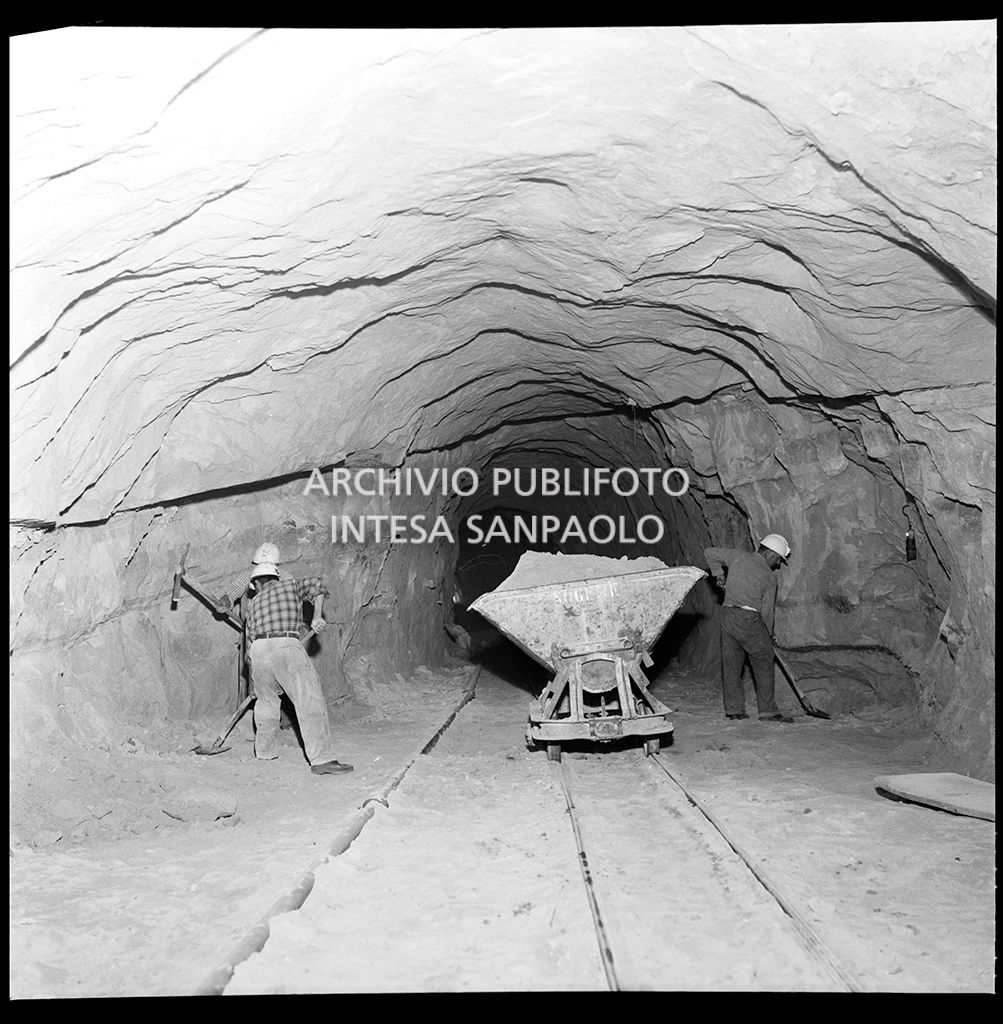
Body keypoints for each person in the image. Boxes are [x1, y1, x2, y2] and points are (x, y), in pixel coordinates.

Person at [220, 545, 353, 775]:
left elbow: (249, 638)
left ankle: (265, 753)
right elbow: (316, 585)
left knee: (266, 703)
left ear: (256, 584)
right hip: (285, 646)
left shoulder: (253, 604)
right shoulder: (289, 584)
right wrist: (317, 616)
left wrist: (251, 660)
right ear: (276, 574)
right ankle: (321, 759)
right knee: (308, 699)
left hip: (259, 651)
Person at [704, 534, 793, 723]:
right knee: (764, 659)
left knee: (731, 664)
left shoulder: (737, 556)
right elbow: (767, 611)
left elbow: (709, 553)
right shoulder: (769, 577)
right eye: (778, 559)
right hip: (748, 619)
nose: (778, 564)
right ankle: (768, 712)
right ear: (771, 553)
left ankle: (734, 710)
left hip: (727, 615)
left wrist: (719, 574)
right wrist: (769, 634)